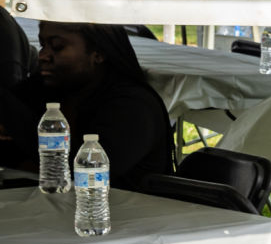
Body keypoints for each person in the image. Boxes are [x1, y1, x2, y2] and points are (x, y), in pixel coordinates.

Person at [0, 22, 173, 186]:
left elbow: (87, 170)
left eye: (57, 46)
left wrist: (10, 112)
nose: (43, 55)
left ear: (98, 53)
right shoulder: (49, 87)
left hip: (126, 213)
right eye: (43, 44)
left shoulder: (133, 107)